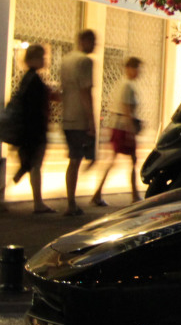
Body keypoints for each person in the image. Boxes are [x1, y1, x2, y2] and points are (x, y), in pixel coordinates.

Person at [91, 56, 142, 207]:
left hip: (119, 126)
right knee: (131, 160)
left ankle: (99, 193)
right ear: (130, 69)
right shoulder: (127, 86)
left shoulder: (123, 84)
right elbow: (127, 109)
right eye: (136, 68)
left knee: (119, 160)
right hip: (123, 127)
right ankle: (134, 194)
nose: (138, 72)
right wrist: (130, 131)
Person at [11, 44, 53, 213]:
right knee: (35, 165)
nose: (44, 60)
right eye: (42, 57)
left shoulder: (28, 78)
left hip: (29, 129)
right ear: (33, 59)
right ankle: (38, 203)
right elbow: (35, 107)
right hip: (34, 130)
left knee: (31, 164)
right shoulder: (33, 80)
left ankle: (37, 200)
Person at [60, 29, 97, 216]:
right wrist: (92, 121)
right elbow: (85, 92)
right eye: (93, 41)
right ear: (84, 41)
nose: (95, 45)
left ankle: (71, 200)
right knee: (77, 159)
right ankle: (71, 202)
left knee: (74, 159)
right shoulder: (85, 61)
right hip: (80, 117)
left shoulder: (65, 60)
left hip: (67, 115)